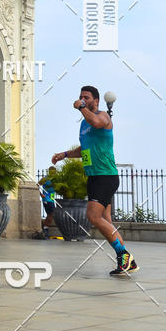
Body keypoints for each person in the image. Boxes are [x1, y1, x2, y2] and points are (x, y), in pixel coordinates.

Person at [51, 85, 138, 276]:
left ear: (96, 101)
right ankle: (126, 260)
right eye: (81, 97)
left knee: (93, 216)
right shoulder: (84, 124)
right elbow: (84, 149)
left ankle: (124, 255)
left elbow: (97, 123)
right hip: (94, 177)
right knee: (105, 221)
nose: (83, 99)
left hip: (105, 176)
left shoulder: (103, 117)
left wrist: (81, 108)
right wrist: (64, 154)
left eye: (87, 97)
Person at [34, 166, 57, 239]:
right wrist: (41, 194)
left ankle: (45, 229)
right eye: (51, 171)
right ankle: (45, 229)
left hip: (52, 199)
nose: (53, 173)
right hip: (46, 199)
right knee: (51, 214)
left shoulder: (56, 179)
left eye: (54, 171)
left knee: (51, 215)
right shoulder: (45, 178)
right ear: (49, 171)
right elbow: (37, 185)